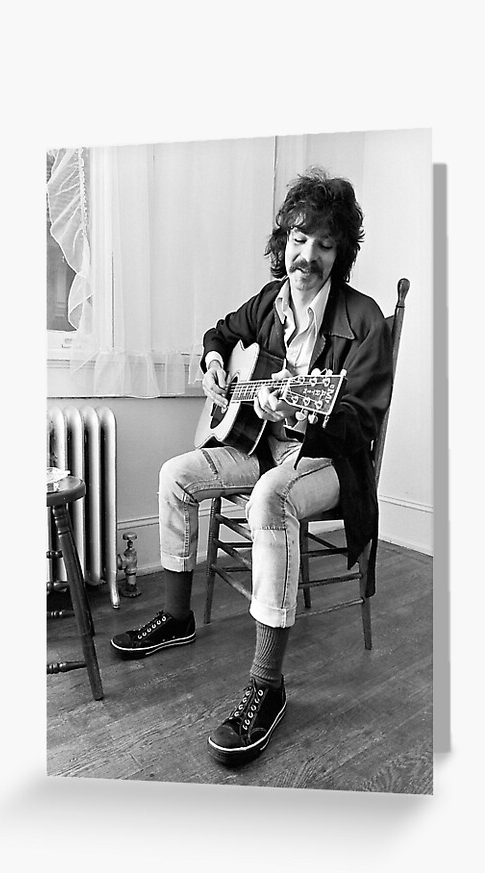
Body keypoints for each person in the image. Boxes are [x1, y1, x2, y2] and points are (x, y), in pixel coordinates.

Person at [111, 168, 394, 765]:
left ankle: (267, 686)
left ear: (341, 253)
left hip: (327, 460)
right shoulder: (269, 300)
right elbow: (220, 333)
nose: (306, 255)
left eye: (324, 244)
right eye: (298, 238)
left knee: (271, 496)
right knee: (176, 475)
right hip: (260, 445)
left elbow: (361, 422)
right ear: (283, 240)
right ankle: (178, 616)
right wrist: (216, 364)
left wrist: (302, 412)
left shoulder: (365, 319)